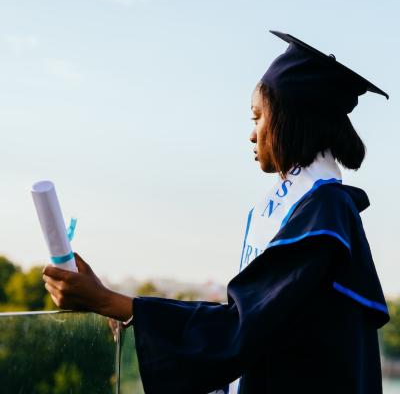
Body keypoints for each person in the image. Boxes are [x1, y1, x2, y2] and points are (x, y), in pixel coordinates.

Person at [43, 31, 390, 394]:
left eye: (258, 117)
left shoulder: (323, 215)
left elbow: (239, 328)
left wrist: (108, 302)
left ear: (289, 120)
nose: (252, 135)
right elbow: (256, 322)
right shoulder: (313, 208)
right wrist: (112, 299)